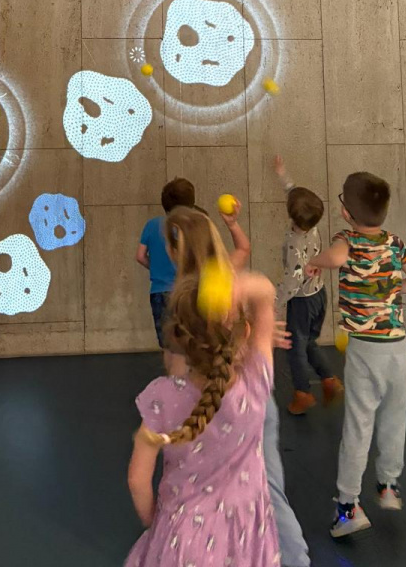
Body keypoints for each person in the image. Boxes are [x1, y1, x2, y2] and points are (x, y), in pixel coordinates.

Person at [125, 207, 279, 567]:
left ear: (179, 338)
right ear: (244, 332)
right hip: (246, 533)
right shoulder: (256, 381)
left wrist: (154, 523)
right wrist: (238, 289)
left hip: (182, 538)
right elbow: (266, 295)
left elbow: (137, 480)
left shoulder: (162, 398)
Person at [307, 172, 406, 539]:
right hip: (397, 347)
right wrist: (389, 288)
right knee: (394, 418)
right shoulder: (395, 243)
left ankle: (349, 507)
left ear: (346, 212)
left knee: (359, 425)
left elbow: (336, 258)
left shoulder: (346, 239)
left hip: (365, 349)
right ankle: (389, 485)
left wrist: (316, 260)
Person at [136, 178, 250, 348]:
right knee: (197, 342)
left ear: (172, 250)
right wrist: (232, 224)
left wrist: (156, 268)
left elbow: (140, 256)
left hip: (160, 291)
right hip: (194, 291)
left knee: (169, 346)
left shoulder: (152, 225)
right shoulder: (196, 227)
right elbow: (243, 249)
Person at [272, 154, 342, 415]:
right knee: (310, 342)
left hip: (301, 301)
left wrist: (274, 303)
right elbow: (294, 195)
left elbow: (293, 282)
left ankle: (302, 393)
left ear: (291, 215)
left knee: (294, 347)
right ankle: (329, 379)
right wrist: (282, 174)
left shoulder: (294, 242)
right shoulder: (312, 225)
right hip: (319, 295)